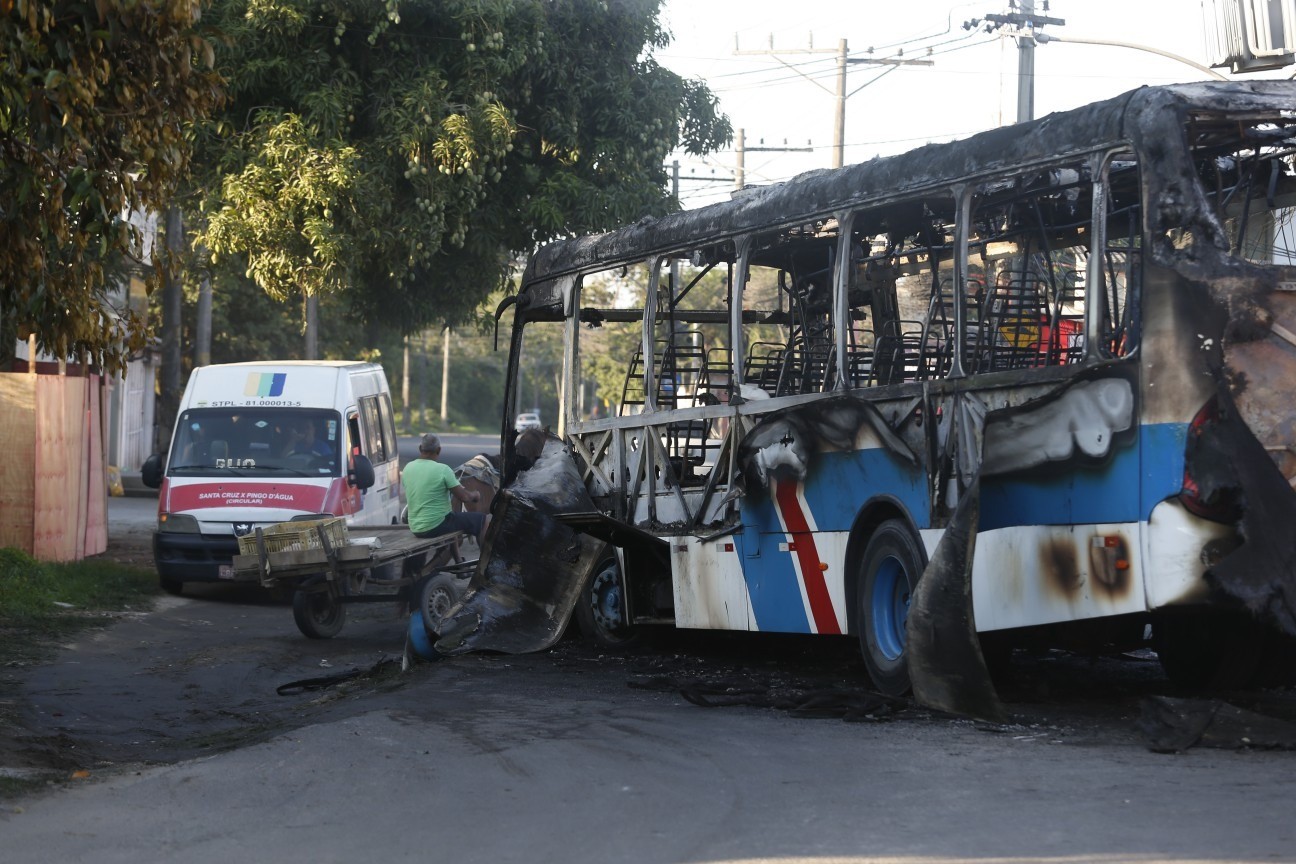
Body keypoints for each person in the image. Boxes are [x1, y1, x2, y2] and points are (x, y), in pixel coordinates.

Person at [403, 433, 488, 543]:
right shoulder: (443, 469)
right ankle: (486, 559)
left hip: (415, 527)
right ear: (438, 450)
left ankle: (457, 558)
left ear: (420, 448)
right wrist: (475, 495)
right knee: (483, 520)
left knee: (452, 516)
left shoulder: (407, 468)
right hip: (435, 526)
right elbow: (464, 497)